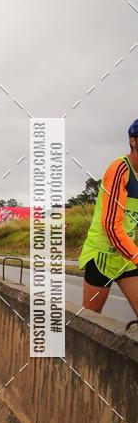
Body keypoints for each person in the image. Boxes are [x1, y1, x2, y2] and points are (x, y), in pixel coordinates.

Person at [78, 120, 138, 315]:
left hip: (126, 255)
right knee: (91, 318)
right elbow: (111, 226)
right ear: (133, 141)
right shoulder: (120, 169)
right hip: (103, 253)